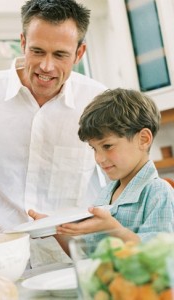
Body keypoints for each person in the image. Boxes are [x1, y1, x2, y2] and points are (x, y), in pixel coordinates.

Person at [0, 0, 107, 266]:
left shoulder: (97, 100)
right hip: (0, 260)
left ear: (79, 53)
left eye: (60, 55)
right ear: (23, 43)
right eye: (37, 51)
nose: (46, 66)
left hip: (73, 260)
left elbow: (122, 180)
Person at [53, 88, 174, 247]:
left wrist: (113, 229)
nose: (99, 158)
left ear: (143, 139)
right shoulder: (105, 194)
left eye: (107, 146)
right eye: (94, 148)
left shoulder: (158, 192)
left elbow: (161, 255)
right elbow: (90, 254)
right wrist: (57, 231)